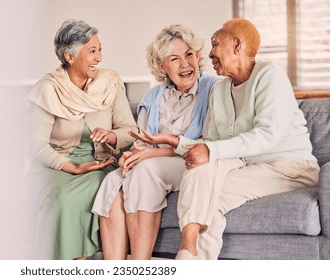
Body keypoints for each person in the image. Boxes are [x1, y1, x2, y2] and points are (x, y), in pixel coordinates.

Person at [132, 18, 320, 260]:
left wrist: (209, 151)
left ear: (237, 45)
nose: (209, 54)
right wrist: (175, 141)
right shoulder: (220, 90)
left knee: (208, 186)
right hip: (251, 165)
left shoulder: (269, 76)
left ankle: (187, 252)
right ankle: (192, 255)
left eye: (215, 44)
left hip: (290, 168)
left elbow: (267, 135)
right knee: (208, 188)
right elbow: (211, 142)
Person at [91, 24, 221, 260]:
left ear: (198, 56)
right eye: (175, 58)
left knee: (145, 171)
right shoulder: (152, 97)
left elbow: (207, 144)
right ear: (162, 66)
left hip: (192, 162)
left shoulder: (214, 89)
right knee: (113, 180)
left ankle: (141, 266)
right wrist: (131, 156)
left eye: (189, 55)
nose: (185, 64)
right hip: (155, 163)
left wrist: (149, 155)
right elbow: (140, 142)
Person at [26, 19, 137, 260]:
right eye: (92, 51)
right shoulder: (48, 89)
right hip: (57, 165)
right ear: (69, 57)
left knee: (95, 187)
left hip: (101, 165)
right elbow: (37, 145)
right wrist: (73, 167)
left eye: (100, 49)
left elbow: (130, 129)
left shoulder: (110, 83)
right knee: (60, 198)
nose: (99, 58)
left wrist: (111, 136)